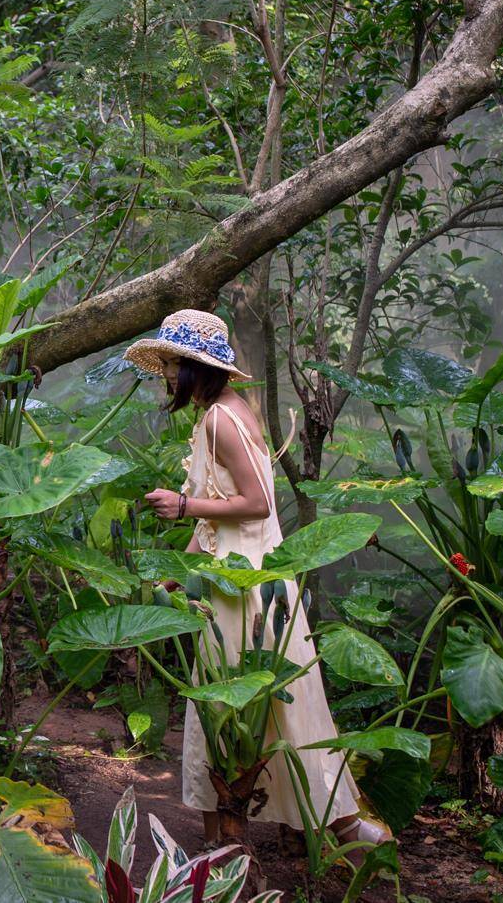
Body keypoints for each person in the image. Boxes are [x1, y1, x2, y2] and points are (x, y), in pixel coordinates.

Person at [124, 308, 393, 854]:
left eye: (174, 364)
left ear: (197, 368)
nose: (167, 375)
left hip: (247, 585)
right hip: (237, 575)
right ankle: (231, 840)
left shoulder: (222, 419)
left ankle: (318, 826)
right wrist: (175, 577)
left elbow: (256, 504)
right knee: (255, 704)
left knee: (250, 705)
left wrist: (181, 503)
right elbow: (216, 515)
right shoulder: (224, 411)